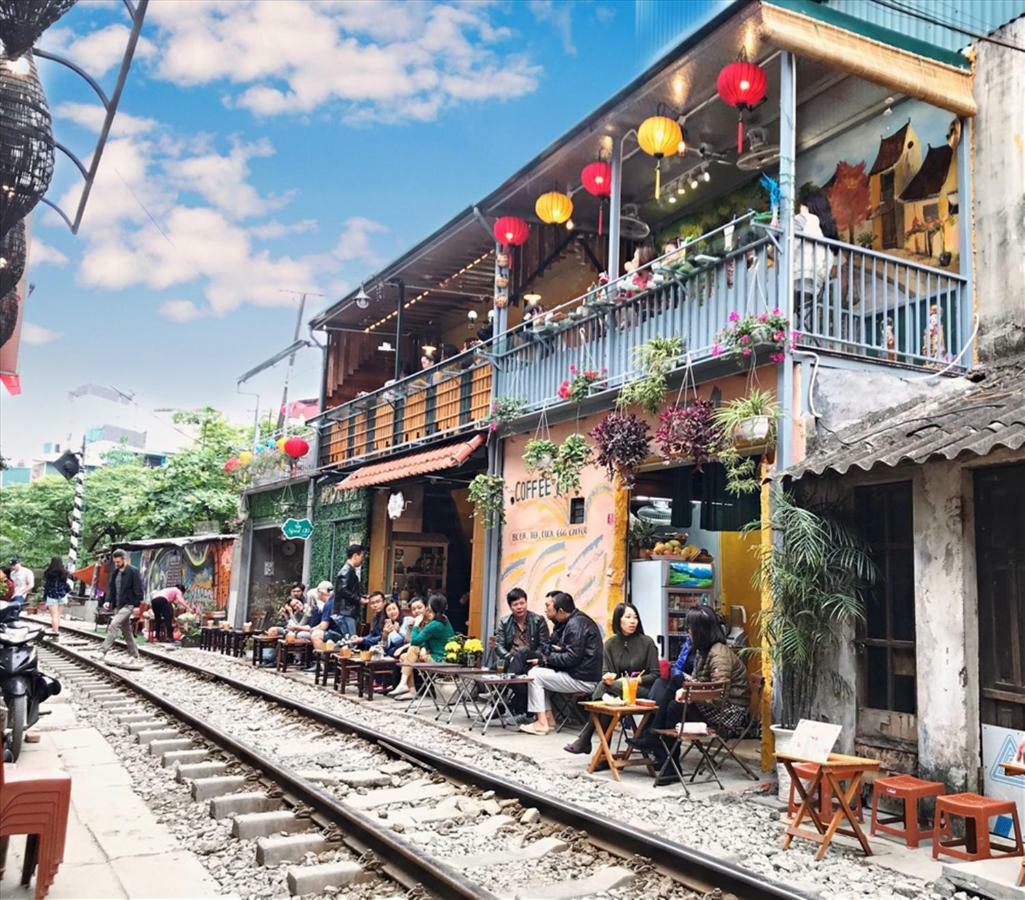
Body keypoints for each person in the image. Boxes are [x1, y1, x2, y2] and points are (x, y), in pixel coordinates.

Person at [633, 606, 750, 779]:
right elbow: (699, 681)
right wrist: (686, 692)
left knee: (675, 686)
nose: (688, 632)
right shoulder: (704, 650)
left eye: (691, 628)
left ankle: (653, 738)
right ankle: (668, 763)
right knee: (670, 692)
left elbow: (719, 694)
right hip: (712, 705)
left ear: (701, 631)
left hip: (727, 712)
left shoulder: (718, 653)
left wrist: (689, 693)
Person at [564, 602, 659, 754]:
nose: (633, 621)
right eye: (628, 617)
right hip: (616, 692)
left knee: (604, 688)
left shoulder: (647, 642)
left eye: (635, 617)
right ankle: (603, 754)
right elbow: (606, 672)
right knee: (605, 688)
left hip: (641, 692)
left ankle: (586, 738)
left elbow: (655, 675)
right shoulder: (610, 644)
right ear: (618, 620)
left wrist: (634, 681)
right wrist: (608, 678)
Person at [519, 592, 602, 735]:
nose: (546, 610)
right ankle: (549, 719)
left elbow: (571, 658)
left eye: (548, 606)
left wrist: (546, 658)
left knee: (535, 675)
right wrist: (554, 652)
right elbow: (555, 647)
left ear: (561, 611)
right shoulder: (569, 622)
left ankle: (541, 723)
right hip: (578, 675)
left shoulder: (575, 624)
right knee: (537, 671)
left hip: (583, 680)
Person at [494, 588, 548, 717]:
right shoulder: (504, 622)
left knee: (523, 653)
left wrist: (536, 657)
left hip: (532, 658)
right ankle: (522, 711)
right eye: (515, 605)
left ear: (526, 602)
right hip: (511, 660)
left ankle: (499, 696)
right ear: (510, 607)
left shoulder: (538, 620)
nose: (519, 607)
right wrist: (510, 657)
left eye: (522, 603)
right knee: (517, 675)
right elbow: (498, 645)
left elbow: (544, 645)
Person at [391, 593, 455, 699]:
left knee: (412, 649)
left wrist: (416, 625)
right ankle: (411, 691)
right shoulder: (443, 619)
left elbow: (415, 641)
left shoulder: (435, 624)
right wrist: (424, 648)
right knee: (404, 657)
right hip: (435, 657)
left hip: (439, 660)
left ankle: (403, 684)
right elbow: (425, 640)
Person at [95, 549, 144, 665]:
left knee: (113, 624)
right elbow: (111, 589)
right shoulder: (115, 573)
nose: (116, 564)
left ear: (124, 559)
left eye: (118, 561)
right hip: (117, 606)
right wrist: (107, 601)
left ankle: (102, 651)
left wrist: (137, 605)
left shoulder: (133, 571)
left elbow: (139, 590)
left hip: (128, 605)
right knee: (127, 631)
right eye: (115, 562)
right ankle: (135, 655)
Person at [333, 545, 367, 638]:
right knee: (351, 641)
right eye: (361, 556)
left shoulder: (347, 570)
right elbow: (343, 590)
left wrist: (361, 597)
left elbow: (348, 589)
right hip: (346, 612)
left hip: (346, 611)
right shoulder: (347, 570)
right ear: (356, 555)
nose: (362, 559)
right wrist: (359, 599)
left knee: (349, 640)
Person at [42, 556, 71, 636]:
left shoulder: (48, 573)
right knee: (58, 615)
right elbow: (65, 584)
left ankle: (55, 631)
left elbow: (46, 586)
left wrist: (44, 597)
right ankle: (56, 629)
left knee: (54, 615)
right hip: (62, 595)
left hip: (52, 595)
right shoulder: (65, 573)